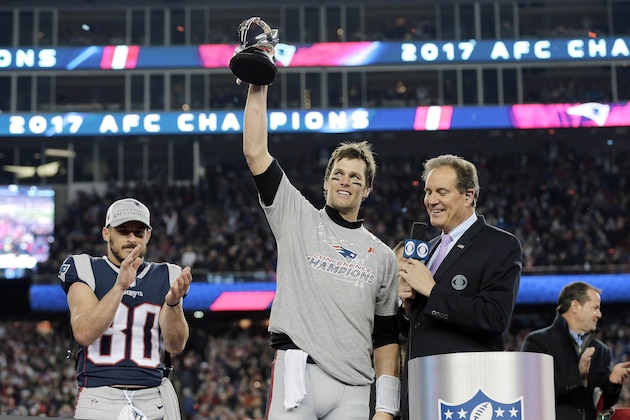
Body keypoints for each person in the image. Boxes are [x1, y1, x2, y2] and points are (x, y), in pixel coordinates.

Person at [242, 83, 401, 420]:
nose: (345, 181)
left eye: (355, 178)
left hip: (356, 388)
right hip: (299, 372)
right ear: (326, 181)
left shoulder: (384, 256)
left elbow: (386, 337)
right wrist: (259, 84)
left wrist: (387, 407)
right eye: (338, 174)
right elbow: (256, 152)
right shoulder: (295, 216)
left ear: (367, 189)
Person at [397, 154, 522, 420]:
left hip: (466, 396)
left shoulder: (500, 245)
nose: (431, 200)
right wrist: (407, 309)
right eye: (428, 192)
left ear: (468, 196)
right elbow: (415, 328)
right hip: (421, 390)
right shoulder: (427, 250)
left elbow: (494, 318)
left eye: (442, 191)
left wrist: (432, 291)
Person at [58, 197, 192, 419]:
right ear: (106, 233)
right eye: (123, 231)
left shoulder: (167, 274)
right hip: (99, 395)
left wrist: (173, 303)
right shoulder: (85, 268)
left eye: (138, 233)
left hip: (152, 397)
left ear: (148, 235)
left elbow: (175, 345)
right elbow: (83, 333)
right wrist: (120, 286)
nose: (131, 239)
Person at [521, 281, 630, 420]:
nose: (599, 314)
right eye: (595, 308)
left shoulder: (601, 351)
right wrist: (577, 374)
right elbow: (531, 391)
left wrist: (613, 383)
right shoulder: (538, 342)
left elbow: (605, 404)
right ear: (575, 306)